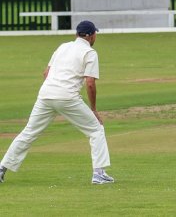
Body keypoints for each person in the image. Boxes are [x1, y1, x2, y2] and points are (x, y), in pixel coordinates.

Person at [0, 21, 114, 185]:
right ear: (90, 35)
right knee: (96, 129)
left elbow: (46, 73)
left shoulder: (63, 47)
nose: (96, 36)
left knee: (28, 133)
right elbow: (90, 83)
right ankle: (98, 174)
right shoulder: (90, 53)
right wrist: (94, 109)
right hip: (67, 97)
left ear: (77, 34)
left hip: (45, 95)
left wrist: (53, 91)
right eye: (95, 34)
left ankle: (1, 169)